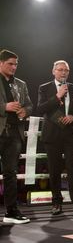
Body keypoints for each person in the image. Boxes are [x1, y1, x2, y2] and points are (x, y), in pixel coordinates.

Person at [37, 60, 73, 215]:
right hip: (52, 135)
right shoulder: (44, 88)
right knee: (54, 171)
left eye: (66, 70)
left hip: (70, 134)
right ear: (53, 71)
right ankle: (56, 203)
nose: (63, 72)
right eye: (60, 70)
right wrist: (57, 96)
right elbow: (41, 109)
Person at [0, 49, 33, 224]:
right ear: (0, 63)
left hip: (13, 133)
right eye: (10, 64)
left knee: (11, 173)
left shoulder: (21, 84)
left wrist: (23, 112)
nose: (14, 67)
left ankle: (11, 212)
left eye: (16, 64)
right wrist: (4, 107)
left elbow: (29, 105)